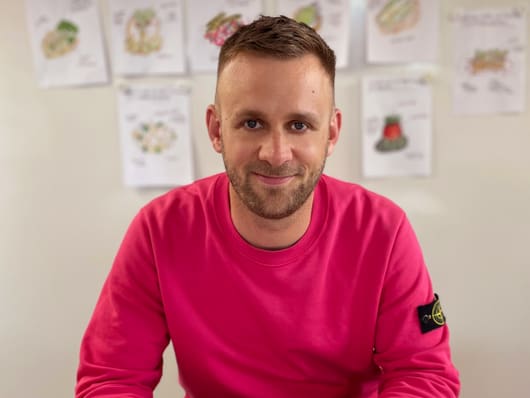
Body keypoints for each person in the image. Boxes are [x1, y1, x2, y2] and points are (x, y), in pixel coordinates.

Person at [76, 15, 460, 397]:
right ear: (216, 129)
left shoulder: (383, 230)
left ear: (331, 133)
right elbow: (112, 379)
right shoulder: (160, 231)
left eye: (298, 125)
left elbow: (424, 375)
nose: (276, 155)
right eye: (252, 123)